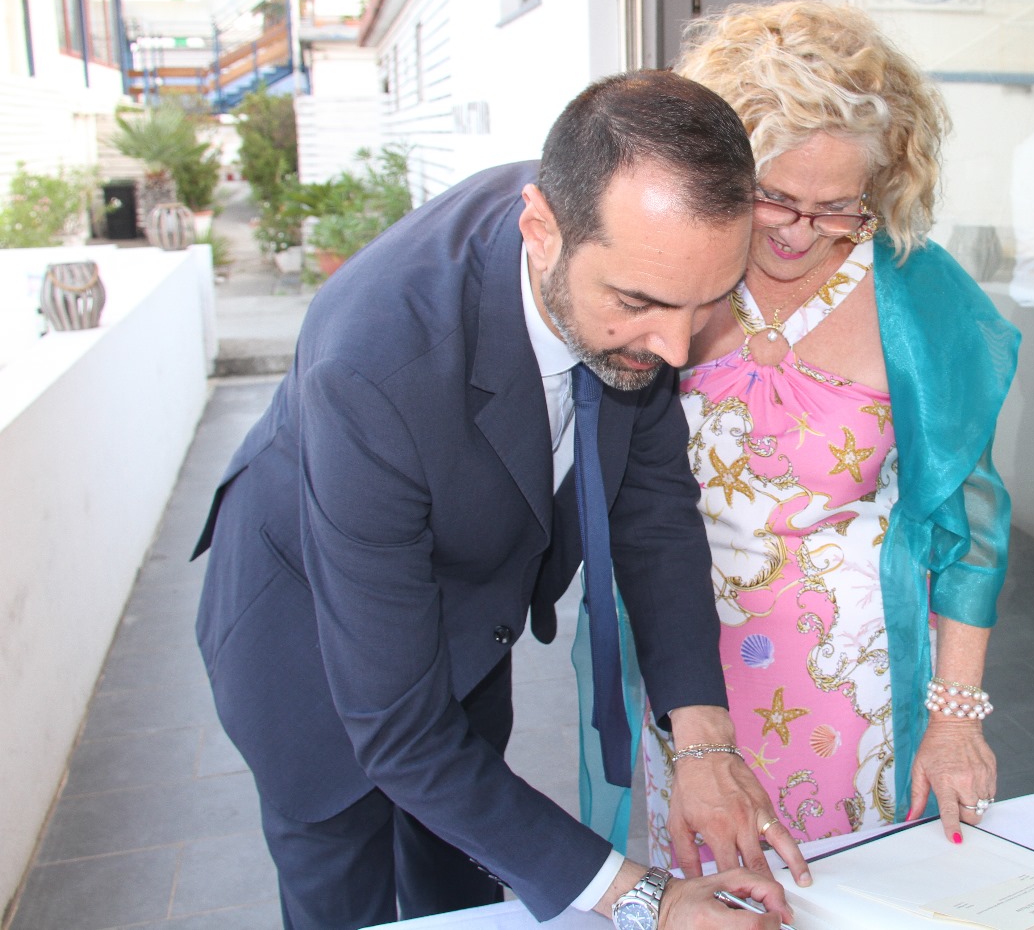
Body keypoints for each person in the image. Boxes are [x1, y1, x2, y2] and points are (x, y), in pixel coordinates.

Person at [192, 70, 807, 930]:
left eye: (708, 304)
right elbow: (402, 734)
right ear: (541, 232)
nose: (676, 348)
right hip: (307, 643)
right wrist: (649, 902)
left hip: (469, 612)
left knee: (464, 880)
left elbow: (654, 513)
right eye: (640, 305)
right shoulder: (373, 365)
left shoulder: (629, 239)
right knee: (344, 897)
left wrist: (704, 743)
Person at [632, 0, 1020, 865]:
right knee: (713, 892)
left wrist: (955, 719)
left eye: (837, 207)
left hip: (860, 683)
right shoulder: (679, 270)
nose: (798, 233)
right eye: (772, 197)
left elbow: (973, 529)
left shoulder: (917, 297)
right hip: (693, 672)